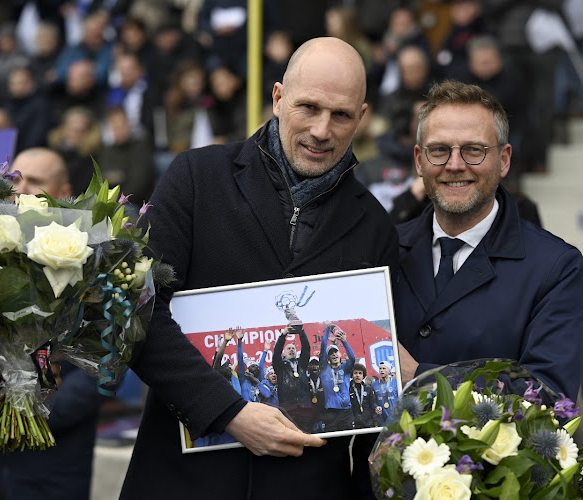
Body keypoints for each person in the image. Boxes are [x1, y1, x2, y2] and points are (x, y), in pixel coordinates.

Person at [120, 37, 398, 499]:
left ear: (363, 118)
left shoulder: (375, 226)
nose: (322, 130)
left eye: (341, 115)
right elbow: (139, 311)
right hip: (181, 481)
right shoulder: (196, 177)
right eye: (308, 107)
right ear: (277, 97)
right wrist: (228, 411)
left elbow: (370, 403)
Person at [394, 80, 583, 401]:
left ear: (504, 160)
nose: (455, 165)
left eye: (474, 150)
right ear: (418, 160)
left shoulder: (555, 267)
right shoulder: (384, 249)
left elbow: (549, 397)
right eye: (439, 150)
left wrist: (420, 376)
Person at [0, 148, 106, 500]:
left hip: (53, 462)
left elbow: (103, 368)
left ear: (63, 192)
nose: (21, 189)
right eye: (14, 180)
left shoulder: (95, 259)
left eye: (35, 181)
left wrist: (28, 410)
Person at [273, 322, 313, 431]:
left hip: (305, 407)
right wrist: (283, 334)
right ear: (284, 354)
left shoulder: (302, 364)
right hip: (289, 408)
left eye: (293, 348)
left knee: (308, 437)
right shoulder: (280, 367)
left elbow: (306, 348)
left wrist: (301, 332)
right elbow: (276, 353)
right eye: (288, 348)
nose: (291, 350)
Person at [319, 324, 355, 432]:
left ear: (340, 354)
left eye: (336, 352)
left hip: (346, 411)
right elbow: (323, 347)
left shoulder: (346, 368)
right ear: (328, 357)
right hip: (330, 412)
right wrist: (327, 329)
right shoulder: (324, 369)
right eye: (331, 353)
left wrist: (344, 341)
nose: (334, 354)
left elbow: (352, 358)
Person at [350, 363, 378, 429]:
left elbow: (372, 406)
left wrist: (375, 423)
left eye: (360, 373)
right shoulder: (348, 388)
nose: (357, 375)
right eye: (355, 373)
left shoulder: (368, 388)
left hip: (368, 423)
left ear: (363, 376)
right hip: (354, 423)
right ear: (351, 375)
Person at [371, 361, 398, 425]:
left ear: (389, 371)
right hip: (382, 419)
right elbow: (372, 400)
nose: (381, 370)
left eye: (384, 368)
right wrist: (376, 407)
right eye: (380, 368)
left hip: (395, 417)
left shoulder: (396, 382)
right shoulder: (374, 385)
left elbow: (401, 398)